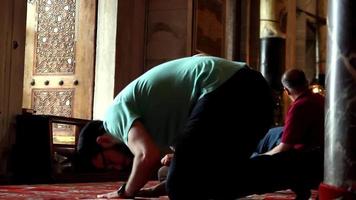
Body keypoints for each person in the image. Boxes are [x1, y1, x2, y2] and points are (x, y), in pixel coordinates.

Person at [76, 55, 274, 199]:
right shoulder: (156, 122)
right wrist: (158, 189)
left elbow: (147, 156)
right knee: (216, 180)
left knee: (181, 186)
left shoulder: (113, 117)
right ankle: (293, 168)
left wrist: (126, 192)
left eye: (107, 162)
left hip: (232, 90)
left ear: (102, 141)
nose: (116, 167)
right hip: (258, 100)